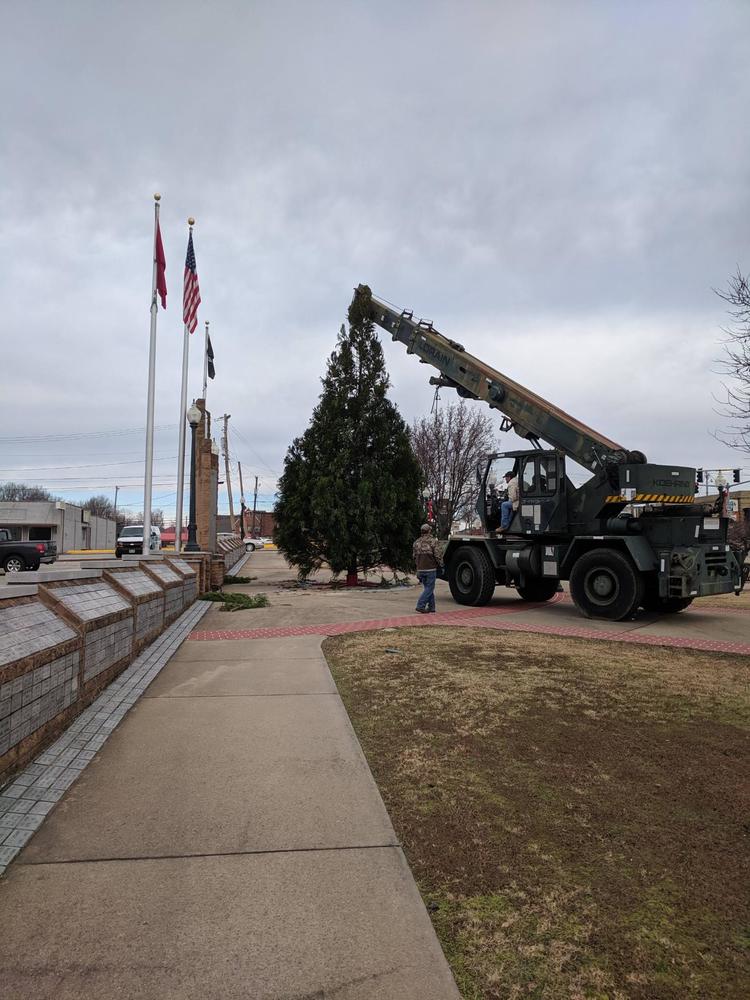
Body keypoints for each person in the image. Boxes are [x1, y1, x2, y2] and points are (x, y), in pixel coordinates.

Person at [413, 522, 442, 613]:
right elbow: (438, 555)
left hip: (420, 569)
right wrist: (442, 565)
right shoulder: (433, 541)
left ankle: (432, 607)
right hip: (430, 569)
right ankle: (420, 605)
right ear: (429, 531)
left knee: (428, 588)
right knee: (429, 588)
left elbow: (414, 556)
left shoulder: (416, 542)